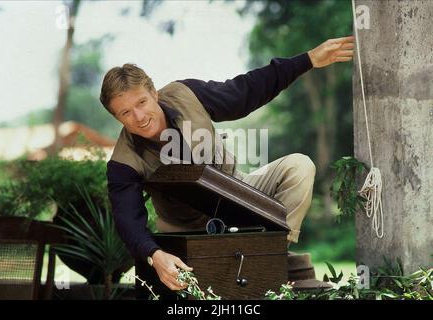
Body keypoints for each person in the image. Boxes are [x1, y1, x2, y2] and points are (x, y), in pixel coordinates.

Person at [99, 36, 354, 291]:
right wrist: (155, 255)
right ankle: (257, 263)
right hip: (185, 226)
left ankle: (270, 256)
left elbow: (245, 91)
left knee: (299, 166)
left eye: (141, 102)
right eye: (126, 112)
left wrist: (307, 60)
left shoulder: (185, 94)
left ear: (154, 93)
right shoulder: (123, 162)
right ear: (116, 117)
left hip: (235, 191)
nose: (139, 117)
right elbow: (127, 218)